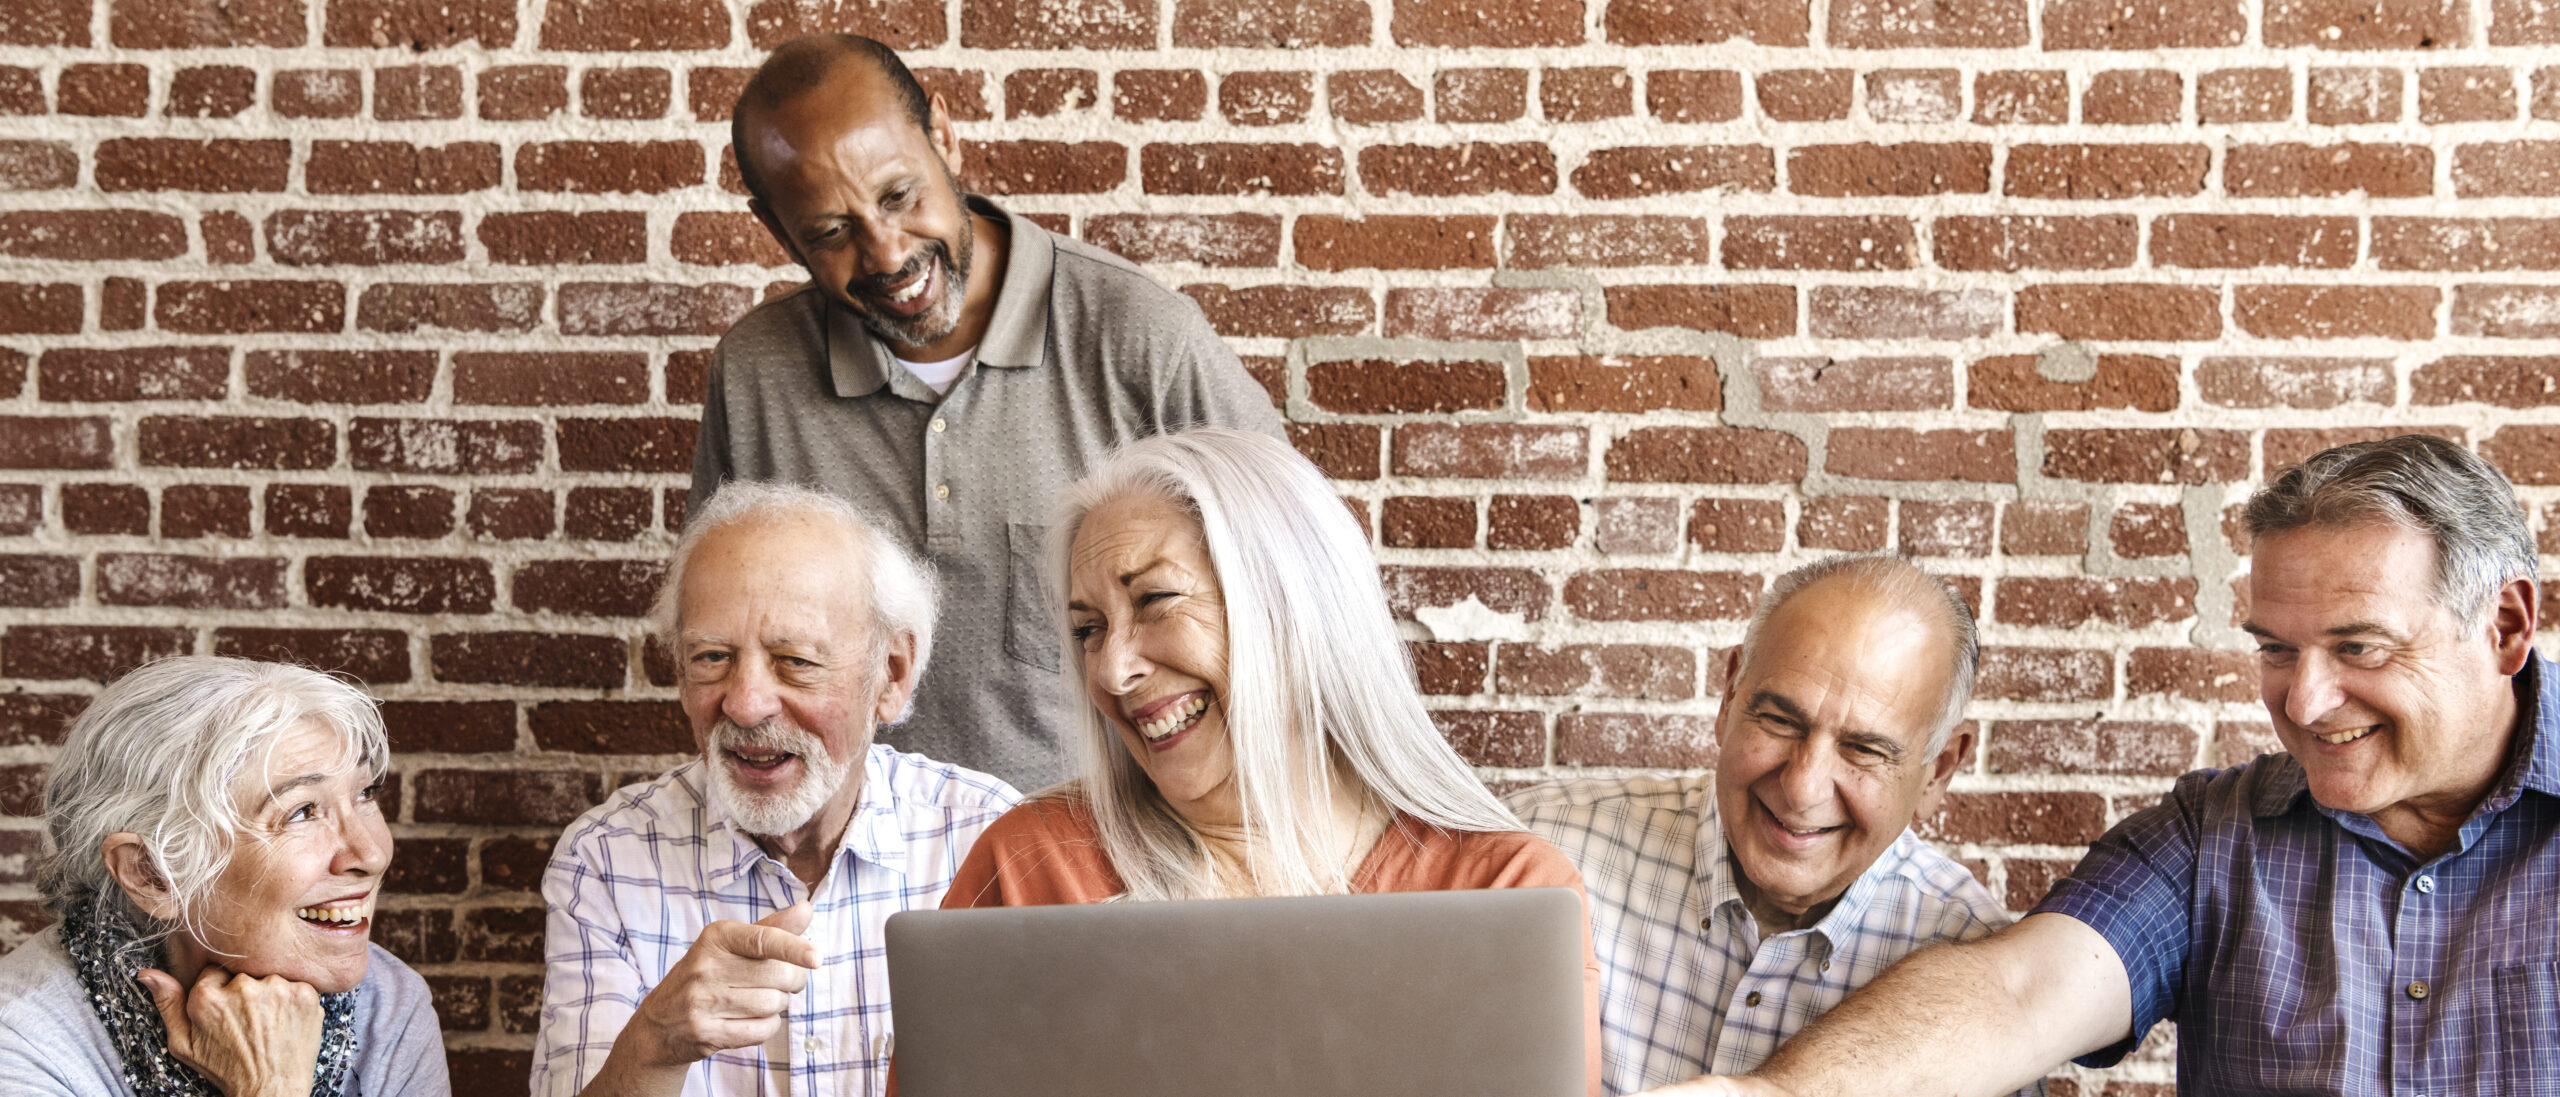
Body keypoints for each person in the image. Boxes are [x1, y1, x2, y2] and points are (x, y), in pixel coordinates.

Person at [1654, 432, 2556, 1097]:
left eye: (2359, 648)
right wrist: (1763, 1096)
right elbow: (2015, 991)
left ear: (2506, 626)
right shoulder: (2215, 838)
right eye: (2278, 649)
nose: (2304, 701)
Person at [930, 428, 1603, 1096]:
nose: (1112, 667)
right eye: (1088, 629)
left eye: (1155, 600)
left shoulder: (1504, 892)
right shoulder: (1030, 869)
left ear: (1291, 606)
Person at [695, 33, 1285, 790]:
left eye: (900, 195)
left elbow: (1292, 587)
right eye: (831, 233)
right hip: (862, 871)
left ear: (944, 137)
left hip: (1105, 862)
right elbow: (717, 644)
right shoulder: (755, 373)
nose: (886, 254)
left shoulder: (1139, 336)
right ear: (777, 230)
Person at [530, 482, 1019, 1097]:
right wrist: (655, 1044)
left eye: (795, 660)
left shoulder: (993, 839)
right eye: (711, 657)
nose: (746, 703)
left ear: (891, 675)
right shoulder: (604, 860)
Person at [1508, 556, 2032, 1096]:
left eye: (1864, 749)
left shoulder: (1979, 975)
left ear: (1937, 771)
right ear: (1730, 695)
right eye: (1780, 721)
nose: (1803, 789)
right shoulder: (1537, 851)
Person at [0, 656, 448, 1097]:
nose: (371, 853)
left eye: (365, 793)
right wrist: (270, 1088)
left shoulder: (387, 1006)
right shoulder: (22, 1040)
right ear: (153, 874)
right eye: (301, 812)